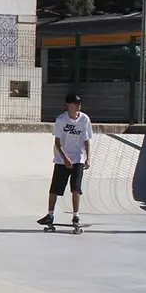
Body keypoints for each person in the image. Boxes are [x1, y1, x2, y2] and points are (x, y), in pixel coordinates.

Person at [37, 92, 93, 230]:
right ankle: (50, 215)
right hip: (62, 159)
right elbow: (57, 142)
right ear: (68, 105)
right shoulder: (61, 120)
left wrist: (88, 157)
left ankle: (76, 216)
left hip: (78, 158)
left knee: (76, 188)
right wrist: (65, 158)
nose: (78, 105)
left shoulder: (84, 119)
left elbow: (86, 140)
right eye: (75, 103)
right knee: (55, 189)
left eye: (79, 103)